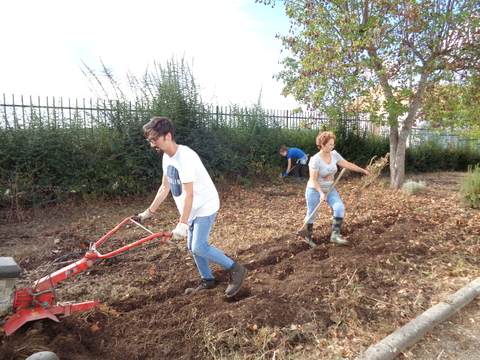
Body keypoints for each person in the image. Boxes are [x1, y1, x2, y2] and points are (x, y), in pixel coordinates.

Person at [137, 117, 248, 297]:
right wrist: (149, 212)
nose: (151, 145)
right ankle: (208, 280)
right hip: (191, 208)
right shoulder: (167, 157)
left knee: (199, 246)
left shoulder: (185, 157)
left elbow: (190, 194)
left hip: (204, 204)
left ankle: (236, 269)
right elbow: (164, 187)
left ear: (168, 136)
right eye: (149, 140)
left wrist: (182, 223)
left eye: (154, 140)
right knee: (192, 246)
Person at [303, 131, 370, 246]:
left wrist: (363, 170)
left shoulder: (334, 155)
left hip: (330, 189)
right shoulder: (315, 160)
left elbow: (347, 164)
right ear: (322, 145)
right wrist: (320, 193)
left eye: (333, 144)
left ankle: (335, 235)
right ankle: (307, 236)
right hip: (314, 190)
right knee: (312, 214)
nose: (332, 146)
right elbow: (313, 180)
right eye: (330, 144)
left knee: (339, 207)